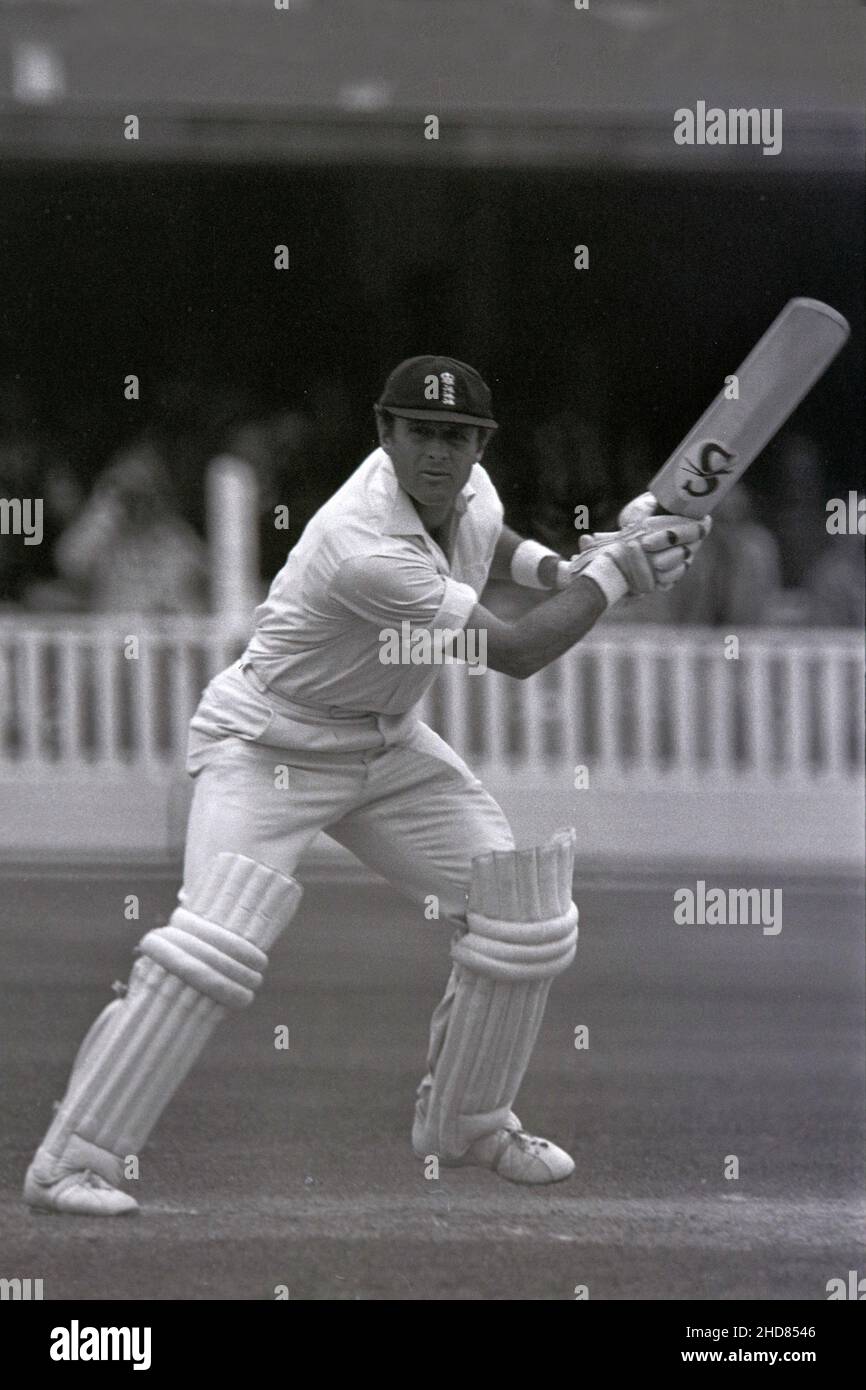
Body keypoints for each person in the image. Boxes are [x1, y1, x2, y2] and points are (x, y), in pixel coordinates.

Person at [24, 356, 709, 1215]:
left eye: (456, 437)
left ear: (479, 444)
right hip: (265, 744)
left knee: (523, 909)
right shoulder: (363, 546)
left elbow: (487, 536)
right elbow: (521, 654)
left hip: (383, 746)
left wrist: (566, 567)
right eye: (419, 433)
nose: (438, 453)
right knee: (210, 949)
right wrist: (617, 576)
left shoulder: (472, 486)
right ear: (385, 435)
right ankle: (69, 1163)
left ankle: (468, 1124)